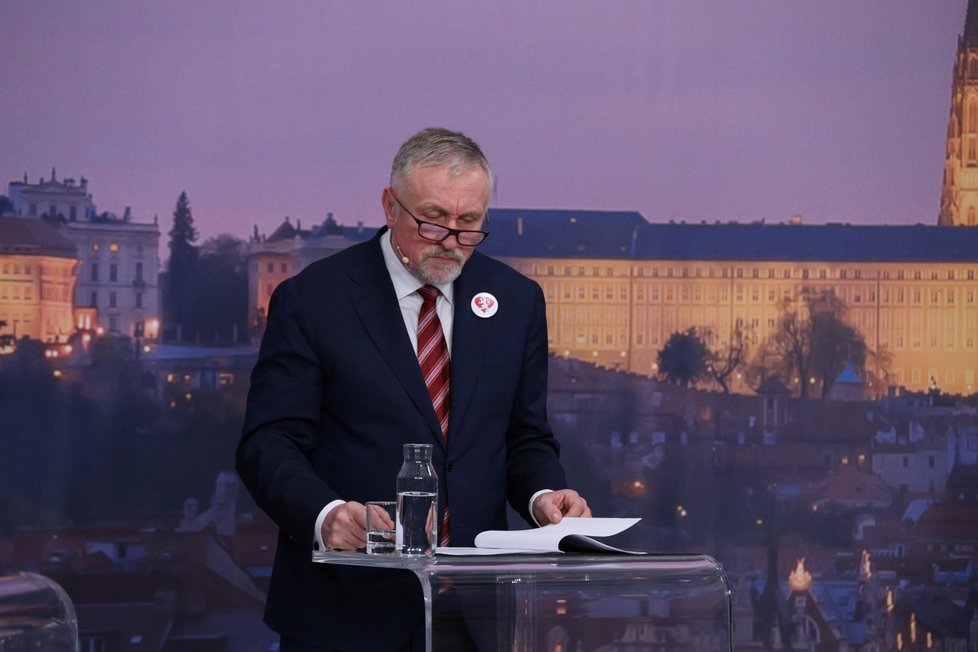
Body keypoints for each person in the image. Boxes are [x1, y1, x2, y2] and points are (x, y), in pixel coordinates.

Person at [236, 127, 590, 651]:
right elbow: (268, 444)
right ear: (389, 205)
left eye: (468, 223)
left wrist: (543, 496)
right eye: (432, 220)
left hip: (474, 618)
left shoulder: (516, 302)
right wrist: (325, 514)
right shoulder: (313, 300)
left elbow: (524, 438)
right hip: (345, 613)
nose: (451, 239)